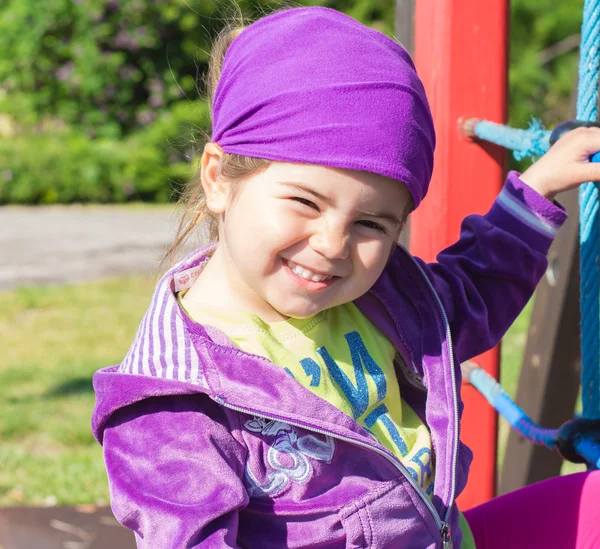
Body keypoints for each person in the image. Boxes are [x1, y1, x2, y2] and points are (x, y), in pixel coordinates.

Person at [92, 6, 600, 548]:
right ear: (218, 178)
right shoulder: (173, 403)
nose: (333, 244)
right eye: (305, 202)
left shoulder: (384, 301)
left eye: (369, 223)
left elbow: (468, 297)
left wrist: (536, 192)